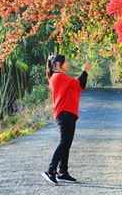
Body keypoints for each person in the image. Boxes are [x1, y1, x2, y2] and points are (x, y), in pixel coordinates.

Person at [43, 53, 90, 185]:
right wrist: (85, 71)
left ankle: (63, 172)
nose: (68, 64)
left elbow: (80, 86)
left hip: (67, 113)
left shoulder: (60, 77)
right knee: (64, 142)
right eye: (66, 62)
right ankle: (51, 171)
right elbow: (80, 83)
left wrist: (85, 73)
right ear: (58, 64)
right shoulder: (59, 77)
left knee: (67, 143)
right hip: (64, 113)